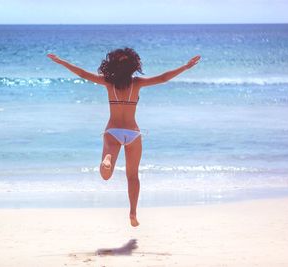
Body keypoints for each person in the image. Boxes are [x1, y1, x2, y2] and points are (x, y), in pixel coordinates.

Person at [47, 48, 200, 227]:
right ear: (133, 66)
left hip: (113, 132)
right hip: (133, 133)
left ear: (112, 65)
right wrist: (185, 67)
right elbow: (163, 78)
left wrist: (61, 61)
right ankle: (133, 212)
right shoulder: (137, 83)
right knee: (133, 176)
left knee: (106, 175)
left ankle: (108, 159)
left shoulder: (108, 83)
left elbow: (82, 73)